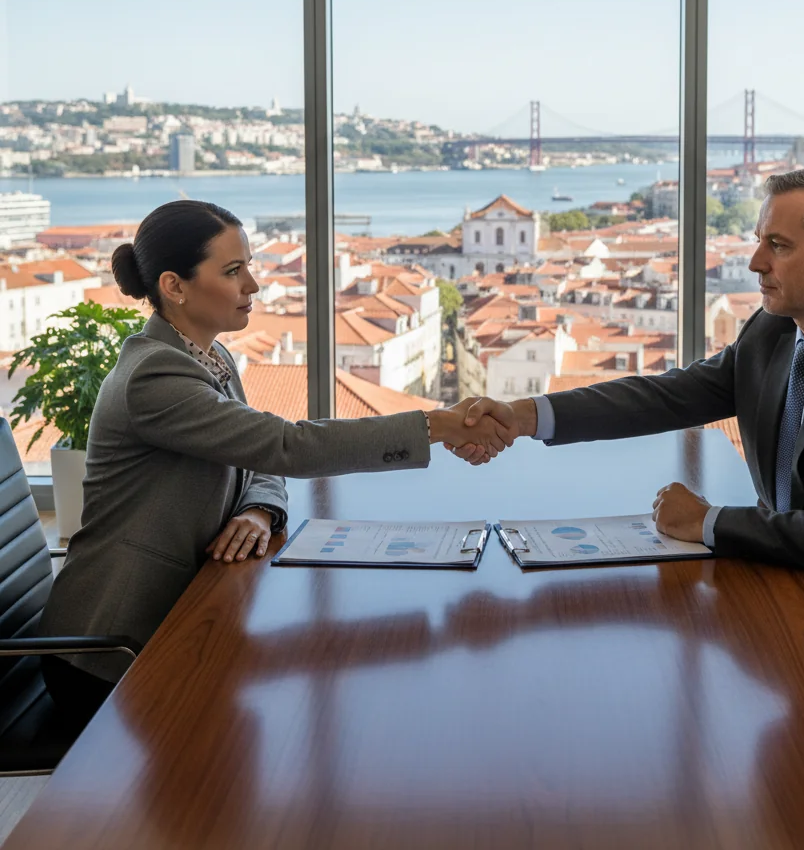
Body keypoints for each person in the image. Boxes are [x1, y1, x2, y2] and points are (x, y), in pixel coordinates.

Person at [453, 167, 804, 751]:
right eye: (760, 240)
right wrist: (526, 415)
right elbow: (668, 395)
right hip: (797, 605)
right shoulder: (772, 330)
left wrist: (707, 521)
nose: (755, 262)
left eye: (778, 246)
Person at [38, 200, 512, 721]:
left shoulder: (208, 357)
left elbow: (260, 460)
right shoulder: (155, 379)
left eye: (249, 266)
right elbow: (287, 446)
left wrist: (259, 510)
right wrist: (438, 425)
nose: (253, 285)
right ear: (175, 286)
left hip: (178, 617)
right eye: (233, 271)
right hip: (110, 651)